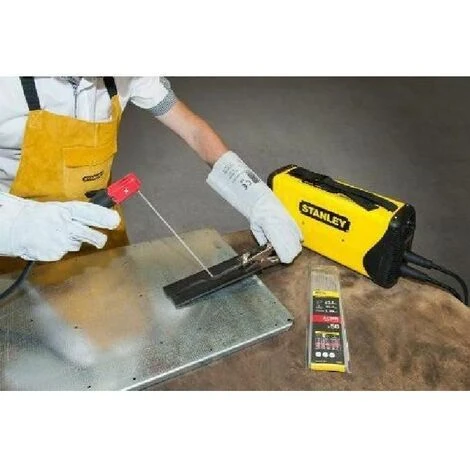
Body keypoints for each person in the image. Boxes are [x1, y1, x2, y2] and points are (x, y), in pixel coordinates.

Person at [0, 77, 302, 273]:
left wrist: (256, 198)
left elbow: (194, 131)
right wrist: (17, 225)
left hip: (100, 227)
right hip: (20, 241)